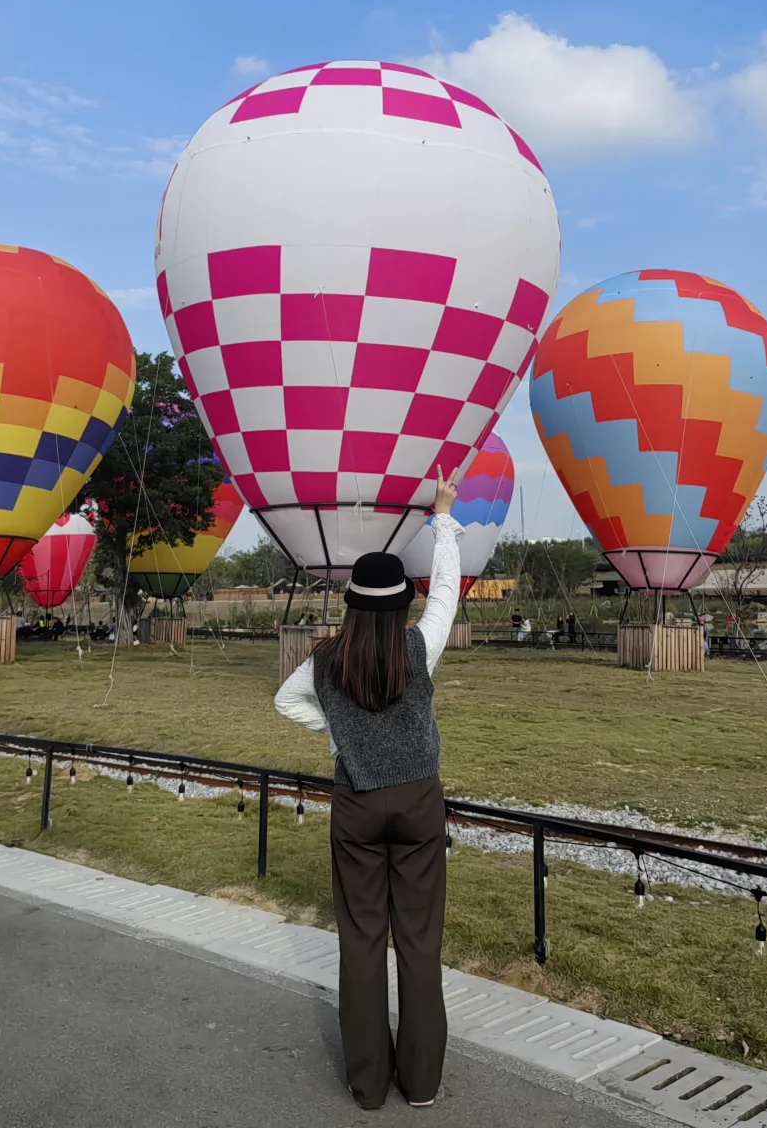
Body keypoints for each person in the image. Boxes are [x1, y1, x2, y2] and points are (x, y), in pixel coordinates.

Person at [275, 468, 461, 1111]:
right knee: (418, 940)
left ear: (353, 603)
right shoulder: (417, 647)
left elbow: (284, 701)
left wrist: (340, 734)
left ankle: (368, 1084)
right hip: (417, 800)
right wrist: (442, 519)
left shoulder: (326, 659)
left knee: (360, 941)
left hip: (356, 801)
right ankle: (423, 1081)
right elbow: (447, 600)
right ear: (399, 606)